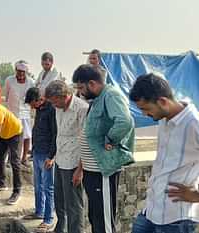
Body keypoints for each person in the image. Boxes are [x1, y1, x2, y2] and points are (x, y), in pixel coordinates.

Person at [129, 73, 198, 233]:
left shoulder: (194, 124)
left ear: (162, 101)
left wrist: (197, 195)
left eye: (146, 109)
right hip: (152, 209)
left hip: (177, 217)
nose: (145, 114)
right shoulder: (164, 118)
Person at [72, 64, 135, 233]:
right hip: (92, 170)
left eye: (81, 87)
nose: (80, 92)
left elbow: (125, 121)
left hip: (103, 171)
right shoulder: (98, 99)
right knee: (96, 217)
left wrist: (110, 139)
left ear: (92, 83)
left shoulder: (111, 95)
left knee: (104, 222)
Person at [45, 80, 88, 233]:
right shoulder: (58, 108)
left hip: (74, 164)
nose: (53, 105)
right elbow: (59, 135)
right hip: (61, 160)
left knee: (74, 206)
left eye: (54, 101)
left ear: (63, 96)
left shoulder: (81, 108)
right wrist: (52, 156)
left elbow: (86, 140)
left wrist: (80, 169)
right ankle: (61, 229)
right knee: (60, 201)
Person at [23, 87, 57, 232]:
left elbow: (56, 134)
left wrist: (51, 157)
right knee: (38, 186)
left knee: (48, 188)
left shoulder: (51, 110)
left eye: (32, 104)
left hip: (46, 155)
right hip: (37, 152)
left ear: (39, 100)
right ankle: (39, 212)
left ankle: (48, 219)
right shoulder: (39, 110)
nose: (31, 107)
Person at [5, 60, 35, 166]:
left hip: (25, 111)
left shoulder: (31, 82)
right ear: (16, 70)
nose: (21, 74)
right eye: (19, 71)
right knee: (11, 135)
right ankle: (10, 159)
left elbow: (32, 97)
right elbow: (7, 95)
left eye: (23, 71)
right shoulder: (9, 80)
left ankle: (24, 158)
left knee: (26, 136)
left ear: (26, 71)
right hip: (12, 111)